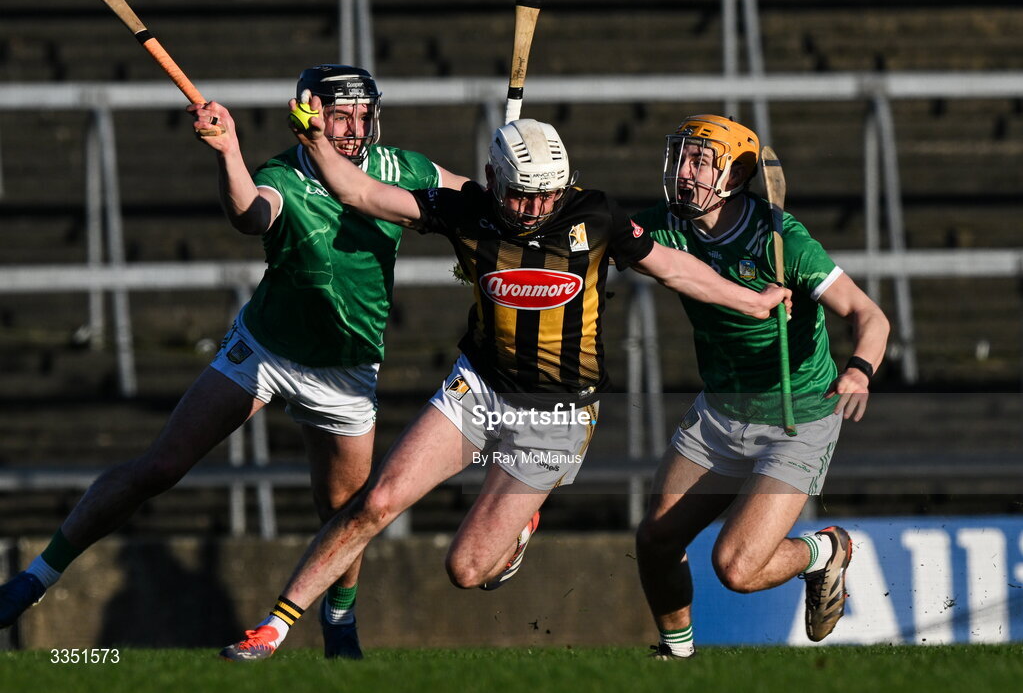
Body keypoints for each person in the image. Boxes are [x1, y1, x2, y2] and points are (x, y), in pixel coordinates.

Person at [215, 102, 791, 661]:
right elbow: (360, 191)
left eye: (548, 193)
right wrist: (316, 140)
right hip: (480, 386)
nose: (537, 207)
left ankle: (519, 529)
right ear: (492, 179)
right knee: (378, 501)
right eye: (521, 193)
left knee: (466, 571)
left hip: (559, 413)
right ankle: (274, 627)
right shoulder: (467, 210)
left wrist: (754, 301)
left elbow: (673, 267)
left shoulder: (596, 215)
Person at [0, 64, 467, 659]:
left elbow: (466, 194)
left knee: (344, 513)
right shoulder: (283, 174)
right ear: (310, 114)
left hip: (347, 370)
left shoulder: (403, 169)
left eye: (361, 113)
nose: (353, 126)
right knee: (161, 466)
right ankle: (34, 578)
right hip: (265, 352)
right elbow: (250, 213)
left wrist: (507, 197)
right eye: (339, 113)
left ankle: (340, 622)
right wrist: (228, 151)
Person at [631, 114, 890, 658]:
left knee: (737, 569)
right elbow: (597, 237)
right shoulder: (664, 225)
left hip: (797, 416)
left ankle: (826, 551)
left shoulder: (786, 243)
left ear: (733, 177)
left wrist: (858, 369)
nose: (685, 171)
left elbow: (870, 316)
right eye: (683, 157)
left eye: (701, 161)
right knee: (655, 540)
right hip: (720, 410)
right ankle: (676, 654)